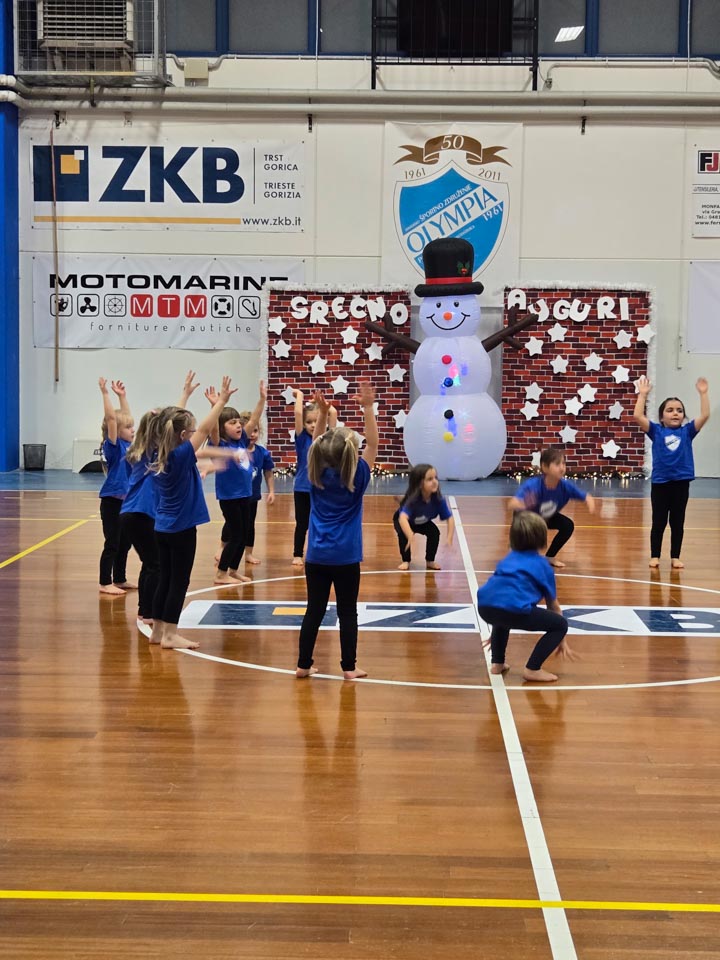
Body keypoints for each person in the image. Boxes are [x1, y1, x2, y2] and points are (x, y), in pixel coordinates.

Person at [149, 376, 239, 650]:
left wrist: (184, 395)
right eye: (189, 432)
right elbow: (205, 428)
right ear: (182, 436)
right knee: (179, 581)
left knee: (165, 579)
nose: (193, 434)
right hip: (181, 529)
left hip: (162, 527)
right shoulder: (179, 456)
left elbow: (171, 421)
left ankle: (157, 631)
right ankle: (170, 635)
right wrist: (221, 402)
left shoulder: (159, 451)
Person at [295, 381, 378, 680]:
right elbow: (373, 444)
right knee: (347, 612)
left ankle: (303, 664)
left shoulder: (314, 473)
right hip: (345, 557)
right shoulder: (357, 477)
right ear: (351, 455)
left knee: (314, 610)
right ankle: (349, 667)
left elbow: (316, 443)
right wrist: (367, 408)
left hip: (317, 555)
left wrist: (322, 414)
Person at [120, 371, 200, 626]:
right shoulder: (154, 451)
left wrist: (185, 395)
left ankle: (145, 610)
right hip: (142, 513)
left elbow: (170, 423)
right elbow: (172, 426)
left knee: (150, 563)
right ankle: (149, 612)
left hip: (131, 512)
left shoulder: (138, 450)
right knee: (156, 565)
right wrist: (184, 398)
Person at [477, 511, 576, 683]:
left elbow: (499, 593)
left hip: (485, 606)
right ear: (542, 539)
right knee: (560, 624)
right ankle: (533, 669)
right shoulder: (542, 565)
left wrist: (496, 629)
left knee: (503, 613)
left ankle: (497, 663)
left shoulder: (507, 559)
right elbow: (553, 606)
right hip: (510, 609)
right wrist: (562, 638)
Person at [632, 375, 710, 569]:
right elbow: (638, 416)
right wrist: (642, 395)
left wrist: (703, 394)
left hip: (681, 484)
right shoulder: (656, 431)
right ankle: (655, 556)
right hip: (660, 483)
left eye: (679, 410)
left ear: (683, 416)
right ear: (661, 417)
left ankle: (675, 556)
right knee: (658, 522)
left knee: (677, 522)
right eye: (670, 410)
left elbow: (705, 415)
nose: (675, 413)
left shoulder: (687, 431)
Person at [205, 381, 266, 586]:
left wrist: (262, 399)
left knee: (243, 534)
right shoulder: (219, 444)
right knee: (236, 535)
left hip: (245, 495)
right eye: (232, 423)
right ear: (223, 427)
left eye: (239, 422)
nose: (239, 425)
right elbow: (212, 428)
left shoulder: (241, 441)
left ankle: (232, 570)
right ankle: (221, 573)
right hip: (229, 497)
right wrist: (217, 405)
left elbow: (254, 418)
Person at [508, 447, 595, 568]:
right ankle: (516, 552)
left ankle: (550, 557)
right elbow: (511, 504)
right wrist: (526, 503)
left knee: (567, 525)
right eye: (557, 464)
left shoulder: (565, 486)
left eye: (563, 463)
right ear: (544, 467)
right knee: (527, 537)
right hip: (528, 519)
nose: (562, 467)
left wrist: (589, 502)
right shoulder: (534, 485)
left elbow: (586, 496)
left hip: (546, 517)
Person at [98, 377, 135, 595]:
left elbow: (124, 417)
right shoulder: (113, 446)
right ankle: (105, 582)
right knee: (112, 542)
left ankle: (120, 578)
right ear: (117, 431)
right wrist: (105, 393)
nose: (133, 430)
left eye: (133, 426)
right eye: (128, 427)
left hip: (127, 502)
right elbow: (113, 419)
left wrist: (123, 397)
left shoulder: (131, 445)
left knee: (125, 543)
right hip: (112, 502)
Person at [291, 388, 337, 566]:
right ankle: (297, 554)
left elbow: (333, 413)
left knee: (321, 522)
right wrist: (300, 396)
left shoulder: (327, 438)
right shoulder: (302, 438)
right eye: (308, 422)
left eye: (316, 421)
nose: (312, 425)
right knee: (302, 524)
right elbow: (298, 413)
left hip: (321, 489)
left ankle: (320, 551)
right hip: (302, 488)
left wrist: (321, 404)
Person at [393, 463, 455, 570]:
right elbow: (402, 518)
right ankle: (406, 560)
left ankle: (430, 560)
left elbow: (450, 518)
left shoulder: (438, 500)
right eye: (430, 479)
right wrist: (410, 534)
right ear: (420, 484)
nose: (435, 481)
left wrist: (449, 538)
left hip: (422, 521)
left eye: (436, 478)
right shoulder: (413, 501)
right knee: (404, 535)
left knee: (434, 532)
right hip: (406, 522)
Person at [243, 416, 275, 565]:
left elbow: (268, 472)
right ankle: (222, 548)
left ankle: (248, 553)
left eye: (255, 431)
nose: (252, 434)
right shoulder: (236, 451)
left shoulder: (262, 453)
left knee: (250, 525)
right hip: (237, 496)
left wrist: (271, 491)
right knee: (232, 524)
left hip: (253, 496)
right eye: (249, 431)